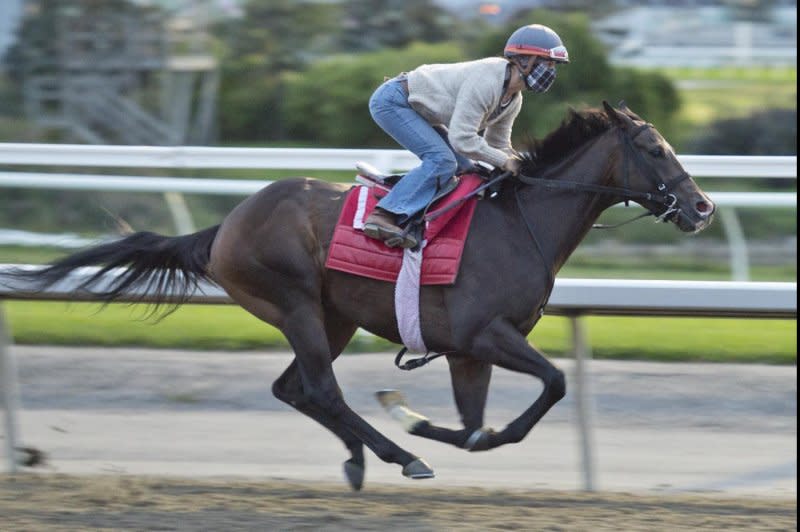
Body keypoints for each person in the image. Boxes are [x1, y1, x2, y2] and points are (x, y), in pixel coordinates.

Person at [363, 23, 569, 249]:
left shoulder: (514, 99)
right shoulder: (487, 81)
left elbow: (497, 144)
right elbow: (462, 140)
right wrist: (506, 162)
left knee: (468, 169)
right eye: (547, 62)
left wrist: (525, 165)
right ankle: (383, 215)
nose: (551, 71)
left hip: (418, 110)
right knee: (442, 160)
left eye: (553, 65)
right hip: (394, 102)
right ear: (523, 60)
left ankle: (414, 216)